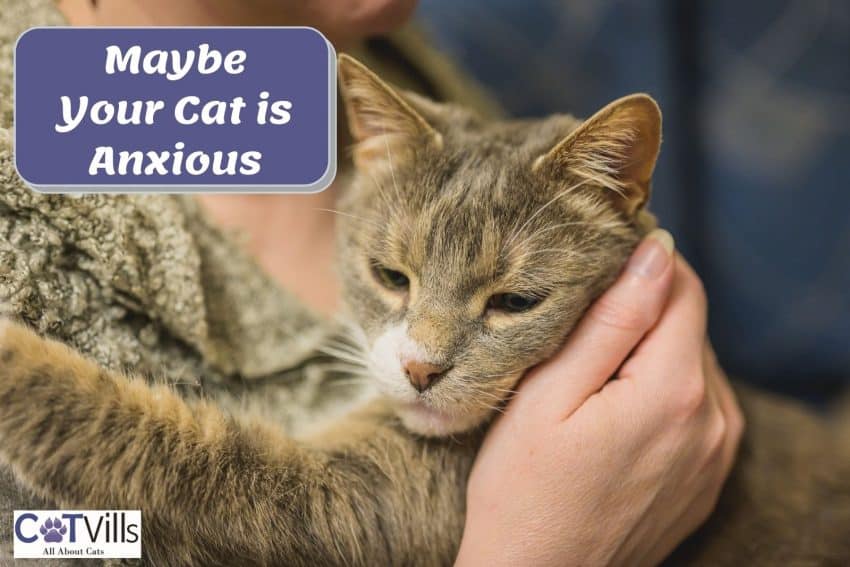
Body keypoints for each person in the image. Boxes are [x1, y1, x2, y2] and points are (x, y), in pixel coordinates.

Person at [0, 1, 741, 564]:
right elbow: (37, 538)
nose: (422, 357)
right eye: (391, 275)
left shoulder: (397, 56)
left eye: (510, 300)